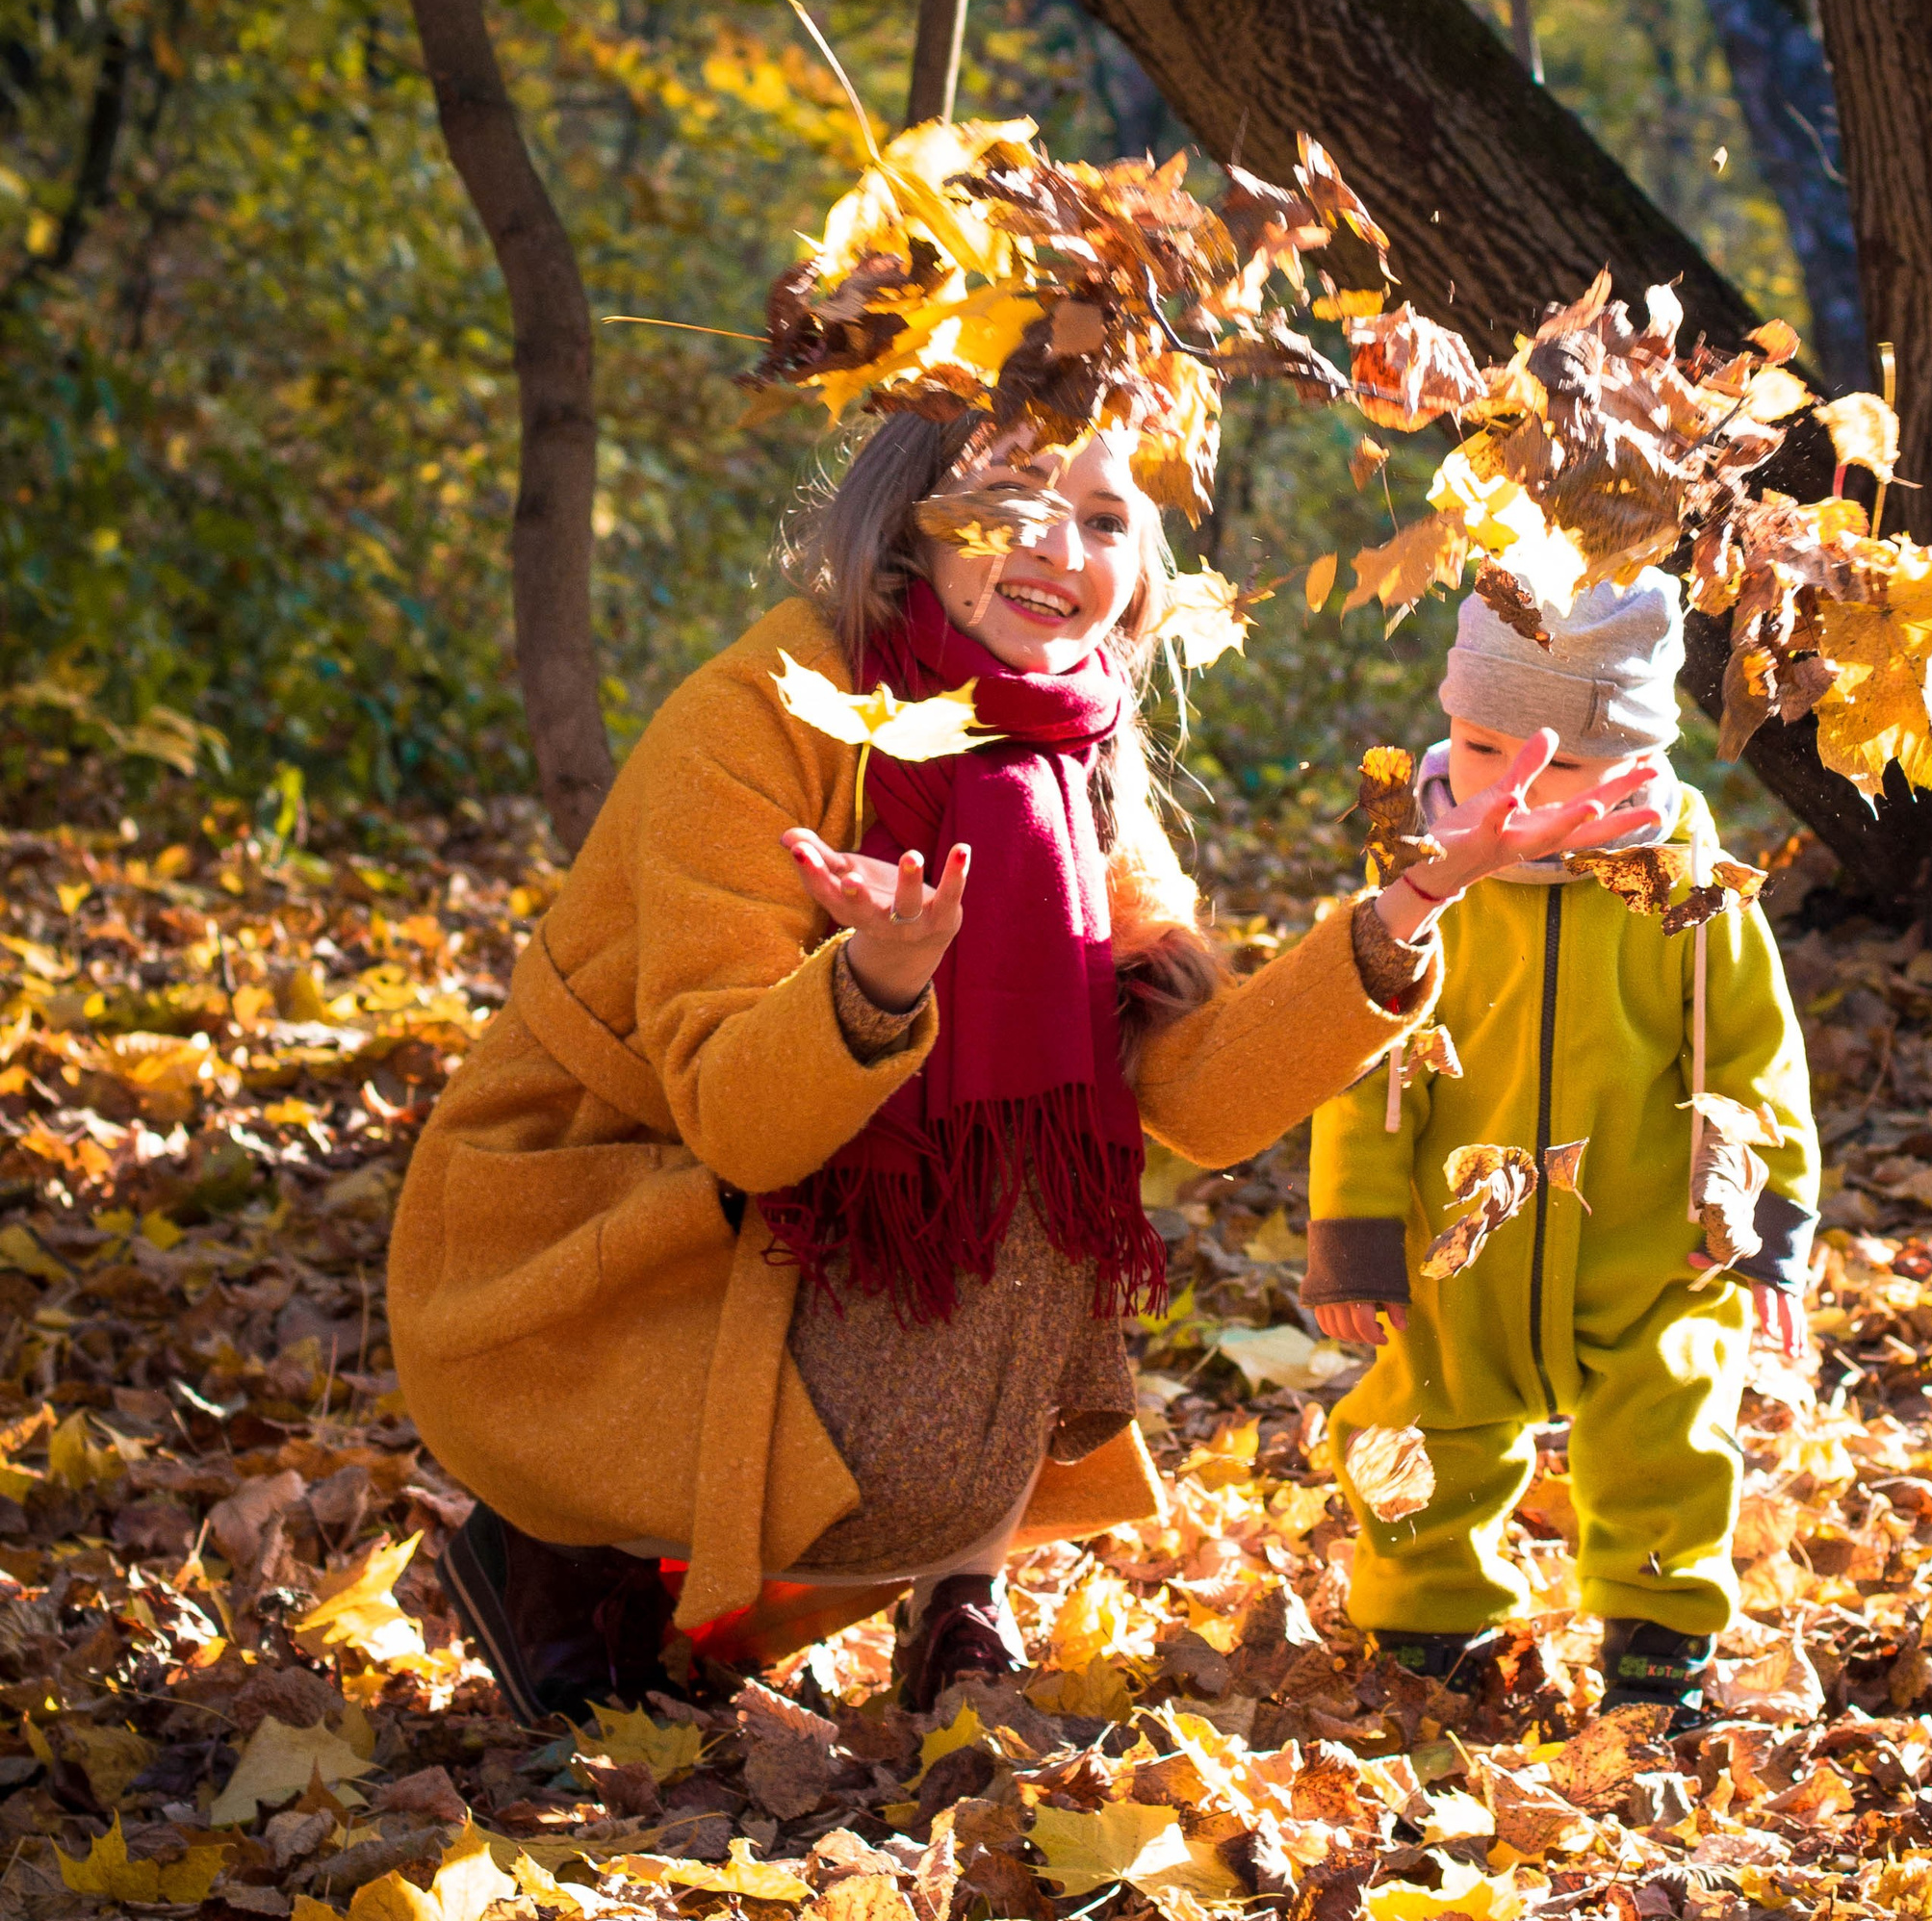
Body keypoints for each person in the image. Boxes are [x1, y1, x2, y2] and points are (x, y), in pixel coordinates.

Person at [389, 411, 1661, 1719]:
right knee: (961, 1237)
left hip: (787, 1220)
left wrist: (1407, 909)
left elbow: (1195, 1097)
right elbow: (735, 1119)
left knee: (1052, 1130)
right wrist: (876, 980)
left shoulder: (1079, 749)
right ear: (910, 529)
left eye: (1108, 520)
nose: (1061, 550)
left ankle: (958, 1591)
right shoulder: (760, 719)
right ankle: (565, 1544)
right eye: (1012, 504)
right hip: (596, 1234)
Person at [1301, 576, 1819, 1729]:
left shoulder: (1690, 897)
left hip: (1648, 1247)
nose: (1510, 785)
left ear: (1639, 760)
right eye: (1481, 743)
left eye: (1562, 764)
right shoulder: (1421, 891)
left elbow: (1755, 1068)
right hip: (1456, 1255)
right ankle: (1426, 1636)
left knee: (1668, 1435)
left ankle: (1657, 1647)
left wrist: (1767, 1227)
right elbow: (1364, 1068)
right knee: (1412, 1428)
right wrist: (1352, 1236)